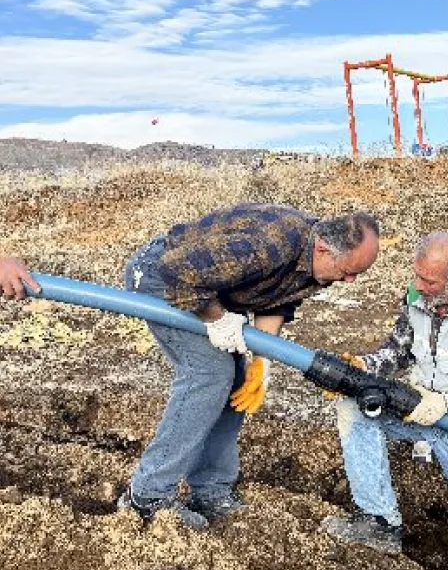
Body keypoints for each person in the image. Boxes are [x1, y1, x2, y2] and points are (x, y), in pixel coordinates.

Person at [117, 203, 382, 529]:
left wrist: (261, 362)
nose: (351, 281)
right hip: (161, 276)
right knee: (210, 373)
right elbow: (179, 271)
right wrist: (217, 319)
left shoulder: (317, 259)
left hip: (207, 285)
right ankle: (147, 496)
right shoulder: (269, 244)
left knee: (237, 379)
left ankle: (210, 490)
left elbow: (279, 299)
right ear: (324, 249)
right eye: (348, 271)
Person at [325, 230, 448, 570]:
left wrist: (447, 403)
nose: (418, 286)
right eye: (416, 275)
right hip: (420, 412)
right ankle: (380, 521)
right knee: (353, 406)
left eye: (428, 280)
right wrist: (365, 367)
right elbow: (399, 351)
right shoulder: (417, 298)